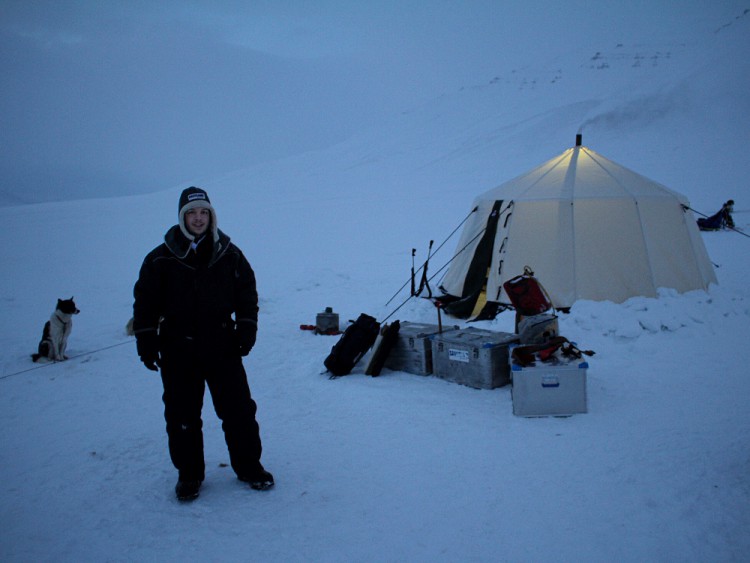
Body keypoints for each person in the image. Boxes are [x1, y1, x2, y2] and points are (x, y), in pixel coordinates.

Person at [133, 186, 273, 501]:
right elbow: (145, 303)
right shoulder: (160, 258)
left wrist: (247, 328)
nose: (198, 218)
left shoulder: (229, 253)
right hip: (177, 347)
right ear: (182, 217)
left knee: (239, 411)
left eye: (204, 212)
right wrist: (146, 340)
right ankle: (189, 475)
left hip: (222, 344)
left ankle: (249, 466)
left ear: (211, 215)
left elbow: (247, 294)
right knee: (182, 415)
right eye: (192, 213)